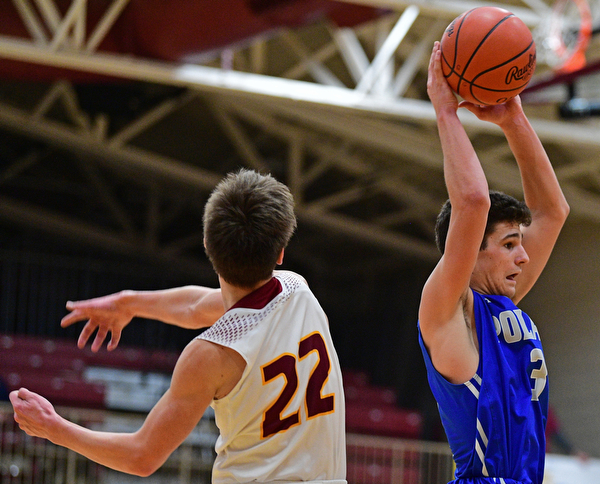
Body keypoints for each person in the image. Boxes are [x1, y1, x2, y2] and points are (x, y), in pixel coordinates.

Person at [9, 168, 347, 484]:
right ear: (280, 253)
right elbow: (198, 306)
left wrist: (53, 428)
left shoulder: (209, 355)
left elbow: (142, 456)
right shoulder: (298, 291)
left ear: (206, 244)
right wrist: (129, 302)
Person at [417, 42, 570, 484]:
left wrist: (513, 118)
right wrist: (445, 111)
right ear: (469, 251)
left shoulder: (503, 302)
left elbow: (552, 211)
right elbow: (472, 202)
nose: (523, 255)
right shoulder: (450, 311)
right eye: (507, 244)